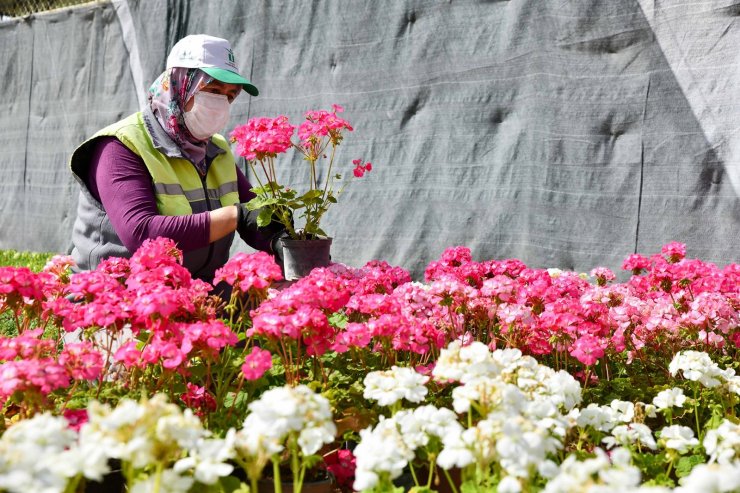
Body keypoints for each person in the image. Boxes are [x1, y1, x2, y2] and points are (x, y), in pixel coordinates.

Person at [68, 34, 286, 285]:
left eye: (229, 95)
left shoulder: (216, 150)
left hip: (192, 289)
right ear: (179, 85)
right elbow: (142, 234)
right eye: (213, 90)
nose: (221, 103)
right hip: (114, 298)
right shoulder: (120, 146)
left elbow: (252, 213)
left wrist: (279, 236)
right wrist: (234, 216)